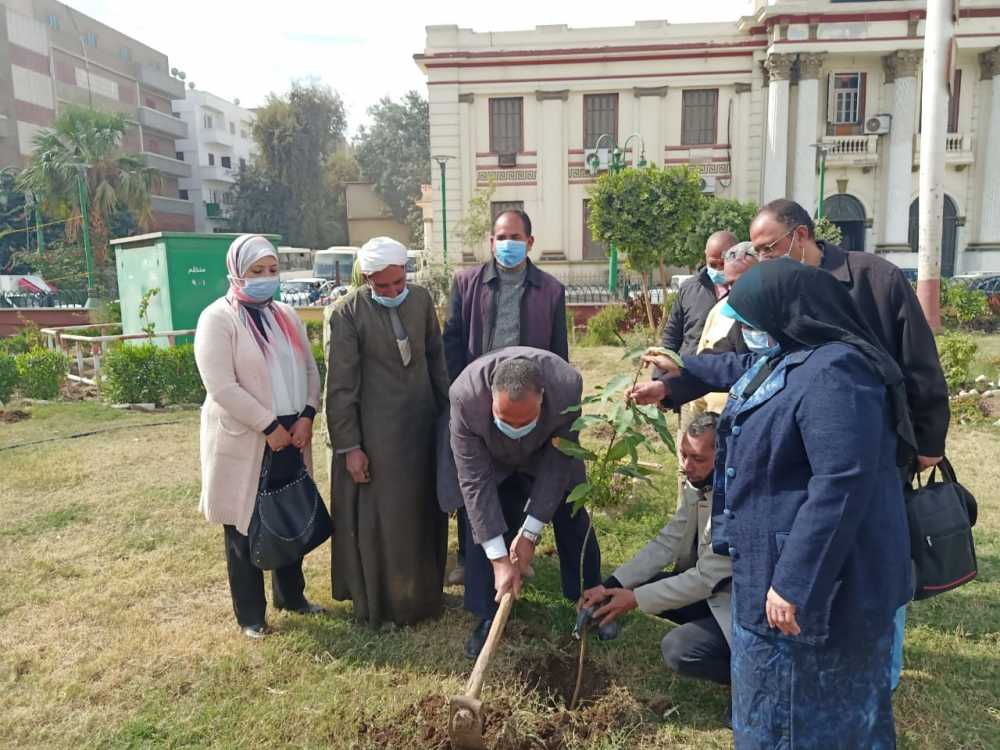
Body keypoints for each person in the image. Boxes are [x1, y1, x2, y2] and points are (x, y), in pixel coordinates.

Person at [628, 259, 914, 748]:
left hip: (822, 589)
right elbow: (739, 368)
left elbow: (840, 485)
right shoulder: (790, 355)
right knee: (770, 706)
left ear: (788, 313)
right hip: (772, 572)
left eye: (752, 324)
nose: (748, 336)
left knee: (814, 716)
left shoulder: (838, 374)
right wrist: (676, 380)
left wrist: (795, 580)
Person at [749, 198, 951, 688]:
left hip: (883, 446)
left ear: (799, 236)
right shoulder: (784, 290)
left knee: (882, 549)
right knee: (833, 543)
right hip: (820, 445)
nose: (762, 260)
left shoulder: (875, 279)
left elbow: (920, 363)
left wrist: (928, 441)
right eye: (755, 252)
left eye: (768, 247)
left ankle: (884, 670)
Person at [194, 234, 323, 639]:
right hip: (248, 434)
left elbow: (308, 369)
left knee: (288, 512)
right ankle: (250, 615)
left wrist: (307, 415)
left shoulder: (285, 314)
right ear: (236, 272)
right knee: (243, 524)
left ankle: (292, 596)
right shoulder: (218, 318)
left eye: (272, 271)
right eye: (256, 272)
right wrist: (268, 426)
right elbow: (222, 386)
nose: (266, 279)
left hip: (292, 430)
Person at [440, 347, 602, 658]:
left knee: (573, 513)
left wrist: (529, 535)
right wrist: (500, 559)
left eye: (524, 421)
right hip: (490, 462)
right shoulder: (465, 396)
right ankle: (489, 614)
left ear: (542, 398)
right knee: (482, 523)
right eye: (504, 420)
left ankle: (592, 600)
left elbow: (557, 467)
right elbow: (474, 482)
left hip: (547, 455)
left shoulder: (567, 386)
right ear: (490, 399)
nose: (515, 430)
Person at [441, 209, 572, 587]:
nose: (507, 244)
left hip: (528, 398)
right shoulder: (467, 282)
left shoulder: (549, 290)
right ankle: (472, 558)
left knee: (521, 476)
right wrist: (456, 394)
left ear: (530, 242)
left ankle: (517, 551)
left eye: (515, 237)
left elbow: (558, 350)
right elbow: (451, 339)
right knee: (475, 482)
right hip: (482, 398)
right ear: (491, 241)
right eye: (501, 237)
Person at [326, 236, 450, 627]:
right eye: (383, 286)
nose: (393, 291)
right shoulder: (347, 313)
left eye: (399, 282)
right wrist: (350, 447)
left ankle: (426, 597)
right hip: (376, 436)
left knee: (422, 512)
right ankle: (387, 605)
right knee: (386, 520)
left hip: (421, 426)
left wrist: (447, 418)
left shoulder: (421, 301)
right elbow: (341, 387)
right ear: (366, 278)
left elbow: (436, 359)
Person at [579, 411, 733, 687]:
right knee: (644, 582)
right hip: (711, 588)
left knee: (679, 649)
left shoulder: (737, 502)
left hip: (738, 602)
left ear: (726, 458)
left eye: (698, 459)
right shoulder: (699, 485)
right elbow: (668, 541)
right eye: (684, 455)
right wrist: (611, 586)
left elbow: (707, 577)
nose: (687, 466)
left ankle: (751, 681)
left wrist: (635, 598)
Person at [662, 230, 738, 497]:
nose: (717, 269)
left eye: (722, 263)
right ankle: (688, 519)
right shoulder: (690, 289)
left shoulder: (745, 293)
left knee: (722, 461)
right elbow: (671, 337)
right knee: (690, 460)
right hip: (691, 392)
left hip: (727, 397)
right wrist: (664, 384)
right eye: (711, 262)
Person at [694, 241, 758, 413]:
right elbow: (714, 359)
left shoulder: (791, 316)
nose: (734, 292)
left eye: (741, 283)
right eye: (730, 285)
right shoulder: (724, 311)